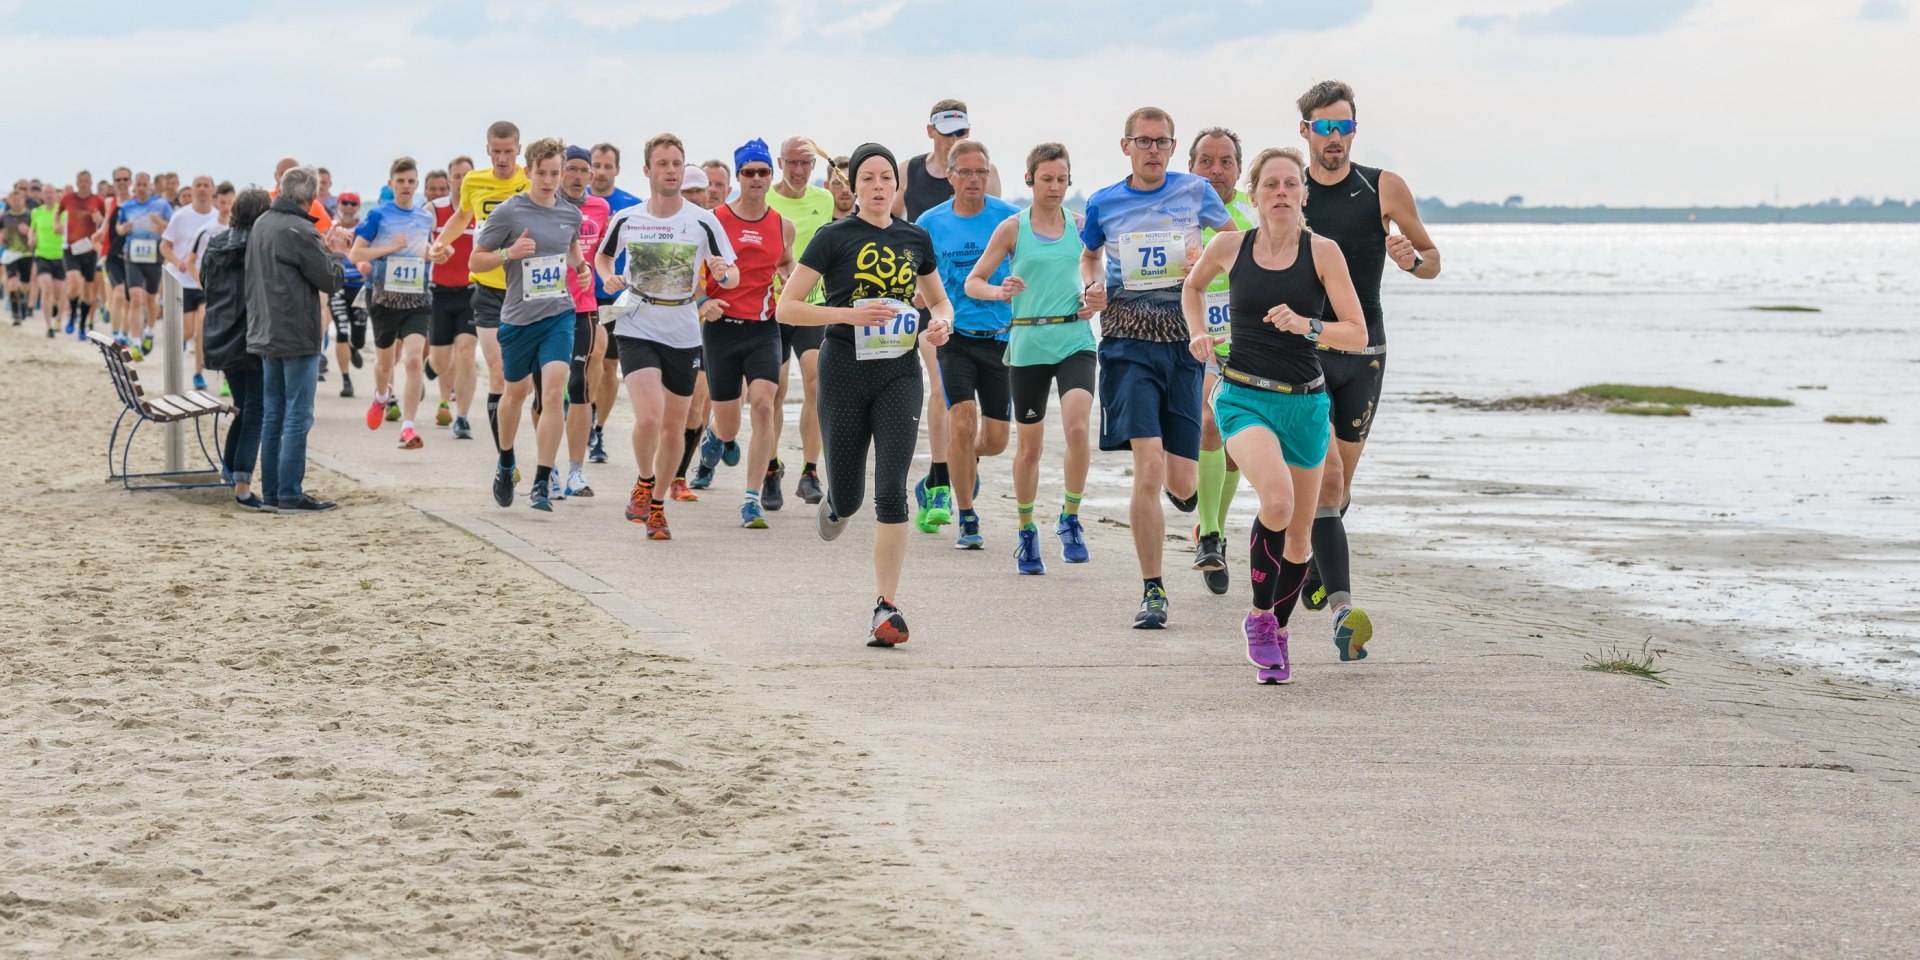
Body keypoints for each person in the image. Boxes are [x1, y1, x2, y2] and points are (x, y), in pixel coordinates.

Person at [1183, 146, 1368, 682]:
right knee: (1279, 501)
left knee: (1300, 537)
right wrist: (1198, 332)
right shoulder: (1229, 245)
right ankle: (1259, 620)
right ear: (1254, 195)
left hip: (1306, 404)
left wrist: (1307, 326)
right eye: (1271, 185)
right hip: (1242, 395)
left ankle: (1278, 631)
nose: (1281, 193)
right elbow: (1193, 288)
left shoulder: (1323, 252)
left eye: (1291, 184)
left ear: (1303, 195)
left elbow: (1354, 333)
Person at [776, 143, 955, 647]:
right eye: (868, 178)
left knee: (892, 487)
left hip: (899, 372)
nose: (878, 186)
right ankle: (835, 502)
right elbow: (787, 309)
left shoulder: (914, 237)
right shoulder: (833, 237)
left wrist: (941, 322)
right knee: (851, 496)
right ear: (852, 186)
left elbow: (939, 298)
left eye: (886, 178)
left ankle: (885, 607)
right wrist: (848, 315)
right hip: (844, 372)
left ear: (896, 186)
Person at [1296, 80, 1442, 660]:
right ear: (1305, 129)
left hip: (1364, 352)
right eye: (1324, 126)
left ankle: (1313, 560)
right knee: (1326, 478)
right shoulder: (1288, 186)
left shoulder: (1383, 186)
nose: (1335, 137)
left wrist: (1412, 261)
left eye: (1344, 126)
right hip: (1302, 348)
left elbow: (1432, 260)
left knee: (1340, 486)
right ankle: (1344, 616)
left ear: (1355, 128)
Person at [1081, 106, 1231, 629]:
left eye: (1161, 143)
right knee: (1146, 468)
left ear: (1172, 147)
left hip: (1184, 339)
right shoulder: (1103, 201)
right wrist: (1091, 287)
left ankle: (1182, 494)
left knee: (1183, 483)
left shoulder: (1195, 191)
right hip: (1126, 338)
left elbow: (1235, 244)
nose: (1152, 151)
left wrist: (1204, 259)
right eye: (1143, 142)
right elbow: (1089, 256)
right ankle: (1153, 590)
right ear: (1126, 146)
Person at [964, 141, 1099, 575]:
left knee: (1078, 428)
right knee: (1030, 448)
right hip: (1027, 344)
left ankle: (1070, 518)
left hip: (1075, 338)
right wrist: (999, 291)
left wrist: (1096, 295)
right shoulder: (1011, 228)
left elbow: (1098, 273)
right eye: (1047, 179)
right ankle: (1026, 533)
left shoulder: (1081, 227)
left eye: (1062, 179)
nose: (1055, 186)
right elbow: (973, 282)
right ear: (1030, 180)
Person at [596, 133, 738, 540]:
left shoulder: (702, 220)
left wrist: (724, 274)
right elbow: (603, 255)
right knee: (650, 418)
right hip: (637, 323)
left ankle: (656, 504)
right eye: (662, 164)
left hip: (682, 328)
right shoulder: (628, 219)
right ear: (648, 171)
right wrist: (608, 276)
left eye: (676, 163)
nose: (671, 170)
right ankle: (644, 480)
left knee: (674, 428)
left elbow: (731, 270)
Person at [472, 137, 586, 512]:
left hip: (559, 314)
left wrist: (581, 270)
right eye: (543, 173)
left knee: (554, 394)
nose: (550, 181)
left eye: (556, 173)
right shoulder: (509, 212)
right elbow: (476, 260)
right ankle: (506, 462)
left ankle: (541, 481)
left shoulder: (570, 213)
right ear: (528, 170)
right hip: (518, 319)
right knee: (514, 394)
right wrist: (509, 253)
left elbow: (571, 250)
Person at [917, 139, 1019, 550]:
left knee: (993, 441)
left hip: (1002, 339)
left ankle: (955, 461)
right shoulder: (930, 222)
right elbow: (917, 276)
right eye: (966, 172)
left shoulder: (1010, 218)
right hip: (955, 337)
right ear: (950, 176)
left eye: (981, 171)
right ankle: (967, 516)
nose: (974, 179)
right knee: (961, 420)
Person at [700, 138, 794, 527]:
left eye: (763, 172)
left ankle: (751, 498)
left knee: (763, 405)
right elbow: (693, 270)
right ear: (738, 176)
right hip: (721, 330)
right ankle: (713, 435)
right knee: (729, 425)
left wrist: (790, 280)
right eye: (748, 172)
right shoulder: (714, 219)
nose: (756, 179)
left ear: (771, 175)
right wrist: (701, 304)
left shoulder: (782, 225)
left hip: (763, 329)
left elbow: (787, 263)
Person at [430, 121, 530, 466]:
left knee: (527, 382)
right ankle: (506, 456)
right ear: (487, 150)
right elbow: (462, 216)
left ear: (519, 149)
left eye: (508, 151)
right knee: (498, 369)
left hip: (525, 288)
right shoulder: (475, 181)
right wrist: (439, 243)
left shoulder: (531, 181)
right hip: (487, 286)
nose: (502, 158)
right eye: (496, 151)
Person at [246, 165, 345, 513]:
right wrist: (335, 252)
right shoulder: (300, 229)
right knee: (298, 415)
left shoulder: (261, 224)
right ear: (312, 198)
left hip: (264, 328)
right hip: (296, 331)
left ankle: (273, 492)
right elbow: (330, 281)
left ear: (282, 190)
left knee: (273, 412)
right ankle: (289, 492)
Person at [1187, 128, 1256, 595]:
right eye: (1206, 161)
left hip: (1246, 340)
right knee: (1209, 421)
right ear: (1190, 166)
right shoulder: (1178, 210)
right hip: (1192, 339)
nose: (1216, 170)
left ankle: (1213, 527)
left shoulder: (1253, 212)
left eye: (1226, 161)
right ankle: (1209, 534)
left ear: (1238, 167)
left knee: (1231, 444)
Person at [763, 136, 835, 505]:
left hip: (812, 306)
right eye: (791, 162)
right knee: (773, 389)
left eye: (806, 163)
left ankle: (810, 470)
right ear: (779, 163)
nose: (799, 170)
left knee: (816, 381)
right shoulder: (766, 199)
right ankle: (771, 467)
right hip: (772, 309)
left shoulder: (825, 200)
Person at [351, 157, 438, 451]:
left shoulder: (425, 217)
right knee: (385, 363)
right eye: (400, 181)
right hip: (384, 299)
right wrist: (390, 247)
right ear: (391, 184)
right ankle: (380, 396)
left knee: (414, 360)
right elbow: (355, 255)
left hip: (418, 298)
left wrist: (438, 253)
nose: (405, 186)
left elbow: (422, 251)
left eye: (411, 181)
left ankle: (408, 428)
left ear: (417, 184)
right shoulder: (378, 215)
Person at [201, 188, 271, 509]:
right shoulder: (258, 246)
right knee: (255, 409)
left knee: (243, 407)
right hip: (250, 337)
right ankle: (242, 486)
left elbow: (205, 282)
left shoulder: (215, 243)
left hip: (219, 335)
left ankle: (229, 473)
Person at [557, 144, 611, 497]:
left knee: (579, 387)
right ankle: (548, 467)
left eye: (583, 170)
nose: (578, 176)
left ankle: (576, 471)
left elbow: (604, 253)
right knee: (545, 393)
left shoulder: (600, 207)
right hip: (543, 309)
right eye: (571, 169)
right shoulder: (544, 206)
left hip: (584, 308)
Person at [587, 142, 642, 466]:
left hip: (618, 296)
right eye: (597, 165)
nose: (602, 171)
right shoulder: (578, 204)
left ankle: (597, 428)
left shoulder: (632, 207)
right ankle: (581, 405)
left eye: (608, 166)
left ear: (617, 169)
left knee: (609, 366)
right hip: (583, 295)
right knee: (589, 357)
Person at [426, 158, 478, 439]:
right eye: (456, 176)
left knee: (467, 352)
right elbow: (418, 237)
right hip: (440, 292)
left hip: (471, 292)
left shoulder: (481, 209)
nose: (460, 180)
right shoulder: (435, 209)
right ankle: (442, 394)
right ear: (449, 180)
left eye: (465, 175)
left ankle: (462, 417)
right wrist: (430, 250)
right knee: (441, 362)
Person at [161, 175, 221, 389]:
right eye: (198, 186)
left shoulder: (217, 217)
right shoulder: (180, 216)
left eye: (206, 185)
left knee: (202, 326)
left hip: (206, 283)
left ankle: (198, 373)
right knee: (187, 332)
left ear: (212, 189)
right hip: (182, 282)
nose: (202, 189)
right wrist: (178, 262)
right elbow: (164, 246)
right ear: (192, 190)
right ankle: (176, 355)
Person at [115, 172, 173, 355]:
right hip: (132, 256)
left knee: (150, 299)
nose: (141, 188)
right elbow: (119, 227)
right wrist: (123, 229)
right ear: (134, 186)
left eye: (144, 184)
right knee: (136, 298)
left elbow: (173, 227)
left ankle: (149, 330)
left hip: (153, 256)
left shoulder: (161, 205)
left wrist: (160, 223)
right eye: (138, 185)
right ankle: (136, 342)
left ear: (150, 186)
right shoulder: (127, 206)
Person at [59, 169, 106, 336]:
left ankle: (82, 324)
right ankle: (72, 314)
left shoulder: (98, 201)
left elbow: (106, 223)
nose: (83, 183)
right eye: (81, 181)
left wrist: (99, 221)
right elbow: (58, 214)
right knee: (73, 285)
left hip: (90, 249)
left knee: (87, 292)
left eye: (86, 180)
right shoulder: (68, 198)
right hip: (71, 248)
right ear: (77, 182)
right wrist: (57, 225)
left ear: (91, 182)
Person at [28, 185, 65, 336]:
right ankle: (48, 326)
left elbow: (67, 228)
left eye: (51, 192)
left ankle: (58, 316)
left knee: (58, 293)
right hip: (42, 254)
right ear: (42, 196)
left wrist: (60, 227)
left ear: (56, 195)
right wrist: (31, 238)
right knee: (46, 288)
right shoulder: (36, 212)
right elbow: (33, 229)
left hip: (60, 255)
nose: (49, 195)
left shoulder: (62, 211)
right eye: (46, 193)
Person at [4, 189, 34, 324]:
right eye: (13, 200)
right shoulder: (4, 216)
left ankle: (22, 301)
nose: (16, 203)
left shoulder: (30, 215)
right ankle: (15, 312)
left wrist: (28, 231)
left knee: (25, 285)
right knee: (12, 283)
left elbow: (37, 234)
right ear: (9, 201)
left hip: (26, 254)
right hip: (10, 253)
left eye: (18, 200)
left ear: (23, 201)